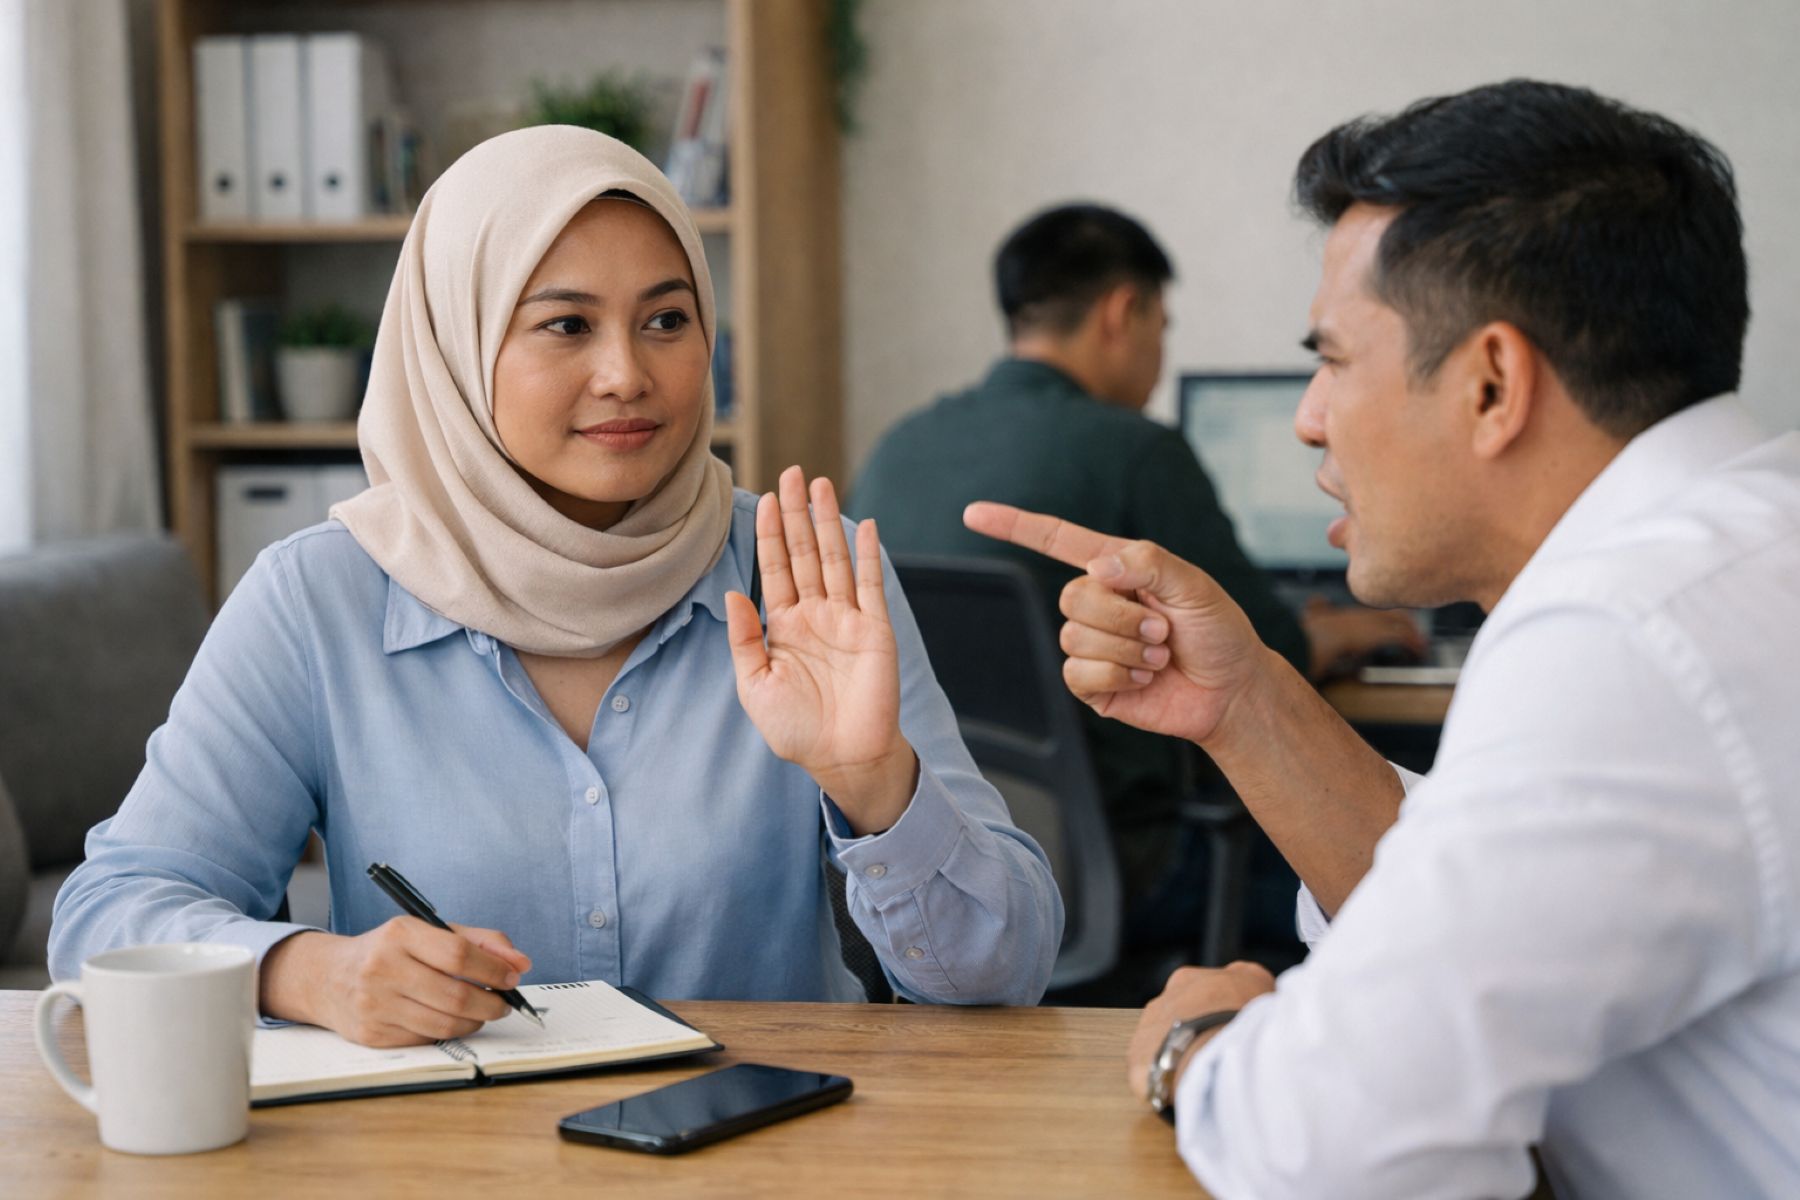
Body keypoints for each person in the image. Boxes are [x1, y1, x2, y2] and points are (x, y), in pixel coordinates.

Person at [49, 125, 1061, 1048]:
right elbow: (109, 915)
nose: (627, 373)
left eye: (666, 319)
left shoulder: (802, 573)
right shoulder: (320, 600)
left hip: (761, 1141)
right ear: (456, 345)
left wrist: (877, 783)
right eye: (566, 325)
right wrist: (311, 972)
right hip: (438, 1152)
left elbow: (1005, 977)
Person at [969, 79, 1800, 1198]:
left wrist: (1203, 1045)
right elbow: (1485, 910)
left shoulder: (1623, 636)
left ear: (1492, 385)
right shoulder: (1732, 552)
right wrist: (1245, 702)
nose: (1308, 417)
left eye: (1334, 359)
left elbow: (1338, 1149)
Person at [850, 203, 1419, 948]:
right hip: (1130, 869)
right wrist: (1347, 630)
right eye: (1162, 326)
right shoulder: (1136, 450)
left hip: (945, 879)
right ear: (1124, 312)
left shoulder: (897, 447)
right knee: (1390, 876)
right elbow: (1267, 652)